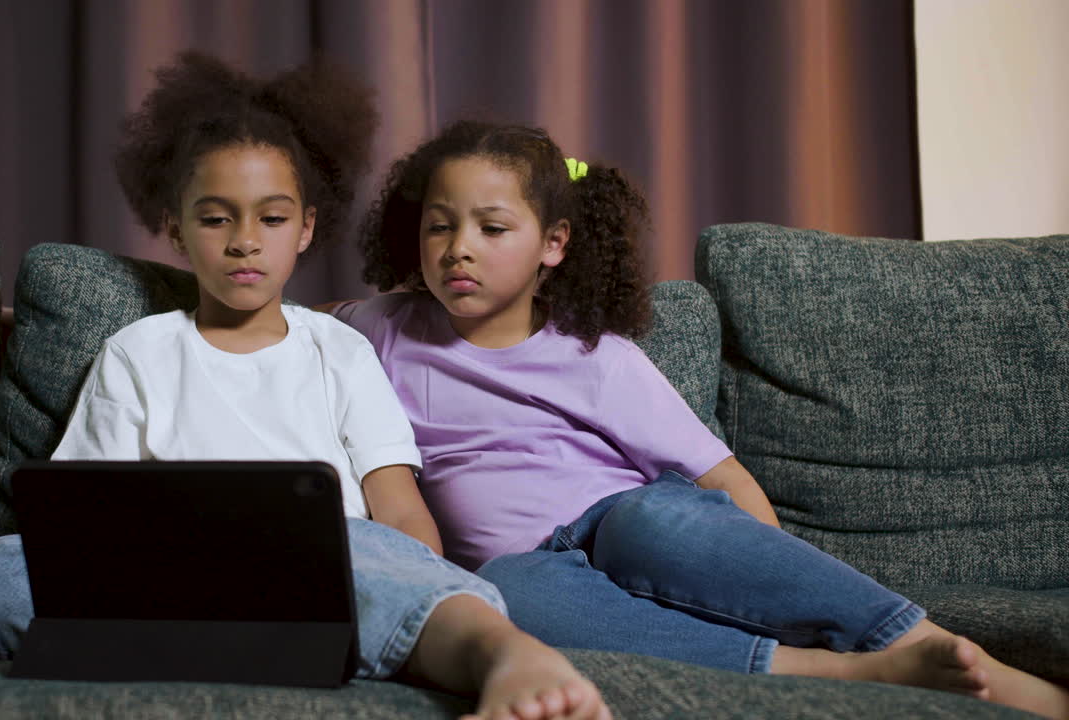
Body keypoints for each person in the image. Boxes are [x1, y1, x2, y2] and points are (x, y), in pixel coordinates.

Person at [327, 120, 1069, 719]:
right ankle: (833, 674)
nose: (459, 249)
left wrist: (758, 570)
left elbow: (724, 476)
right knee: (510, 591)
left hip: (623, 522)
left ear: (553, 244)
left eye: (492, 229)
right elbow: (282, 330)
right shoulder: (378, 330)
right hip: (525, 565)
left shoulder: (596, 355)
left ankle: (929, 645)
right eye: (438, 227)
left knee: (653, 516)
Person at [0, 54, 612, 720]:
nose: (244, 242)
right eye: (215, 219)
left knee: (370, 550)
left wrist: (415, 571)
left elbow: (402, 511)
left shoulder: (340, 351)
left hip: (328, 573)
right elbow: (81, 519)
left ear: (305, 228)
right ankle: (285, 647)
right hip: (177, 581)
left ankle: (498, 651)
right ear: (176, 229)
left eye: (270, 219)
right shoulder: (139, 353)